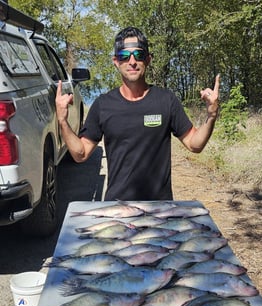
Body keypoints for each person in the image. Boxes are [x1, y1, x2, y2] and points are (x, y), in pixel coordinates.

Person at [56, 26, 220, 201]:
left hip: (159, 209)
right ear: (116, 61)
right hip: (118, 208)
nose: (132, 61)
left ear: (148, 60)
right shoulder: (103, 105)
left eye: (139, 55)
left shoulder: (166, 100)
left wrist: (211, 116)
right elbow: (80, 154)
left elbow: (195, 145)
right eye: (124, 56)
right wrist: (63, 121)